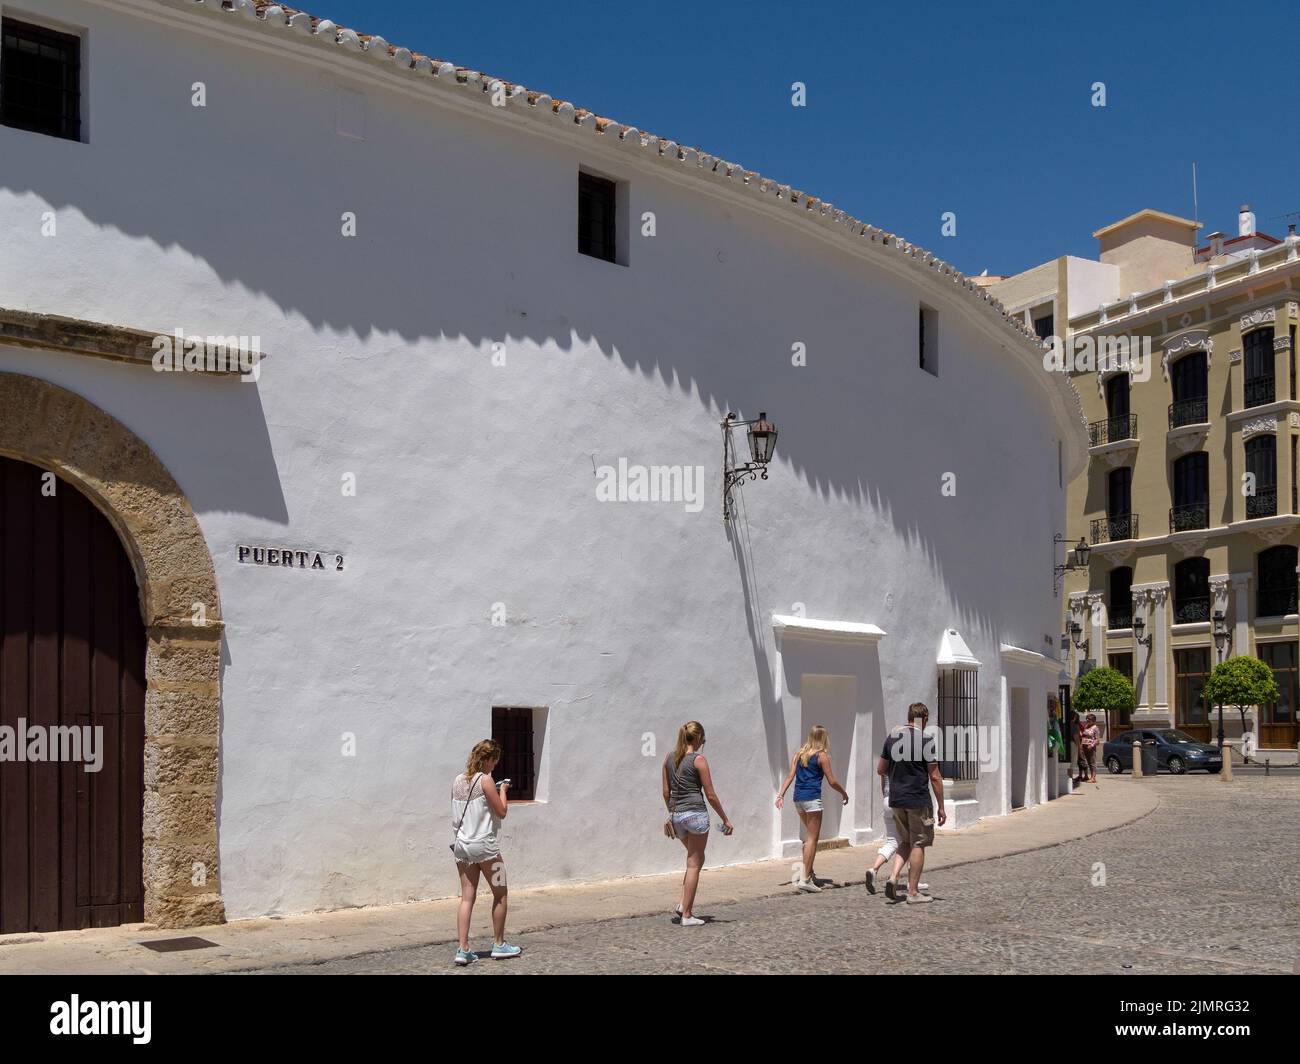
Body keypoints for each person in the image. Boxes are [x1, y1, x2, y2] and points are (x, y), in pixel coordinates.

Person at [450, 739, 522, 966]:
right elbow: (501, 812)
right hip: (486, 848)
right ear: (488, 759)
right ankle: (499, 945)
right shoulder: (486, 780)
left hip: (463, 847)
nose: (494, 766)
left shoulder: (458, 780)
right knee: (500, 892)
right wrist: (503, 790)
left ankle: (463, 949)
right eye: (494, 761)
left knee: (467, 897)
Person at [662, 721, 732, 926]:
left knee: (695, 859)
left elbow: (666, 792)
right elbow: (710, 794)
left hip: (677, 816)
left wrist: (672, 814)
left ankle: (683, 904)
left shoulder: (668, 758)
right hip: (696, 815)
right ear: (699, 738)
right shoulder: (699, 760)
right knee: (694, 863)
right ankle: (687, 915)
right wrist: (725, 818)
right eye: (704, 739)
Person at [876, 702, 946, 904]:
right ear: (923, 719)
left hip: (896, 799)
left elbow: (881, 769)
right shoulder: (926, 740)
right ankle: (913, 892)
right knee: (918, 843)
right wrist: (941, 806)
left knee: (905, 841)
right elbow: (934, 776)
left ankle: (893, 877)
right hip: (917, 799)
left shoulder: (892, 738)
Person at [776, 725, 849, 892]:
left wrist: (780, 795)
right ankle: (805, 879)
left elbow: (789, 776)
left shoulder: (799, 755)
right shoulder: (821, 756)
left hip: (798, 800)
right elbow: (831, 781)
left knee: (808, 838)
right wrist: (843, 792)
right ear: (823, 738)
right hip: (812, 800)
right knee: (812, 839)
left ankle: (808, 872)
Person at [864, 772, 927, 895]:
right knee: (912, 842)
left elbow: (882, 779)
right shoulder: (902, 761)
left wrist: (886, 798)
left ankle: (874, 869)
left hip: (888, 800)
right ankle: (912, 881)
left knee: (892, 841)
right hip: (903, 800)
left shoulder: (887, 761)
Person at [1081, 713, 1101, 783]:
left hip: (1091, 747)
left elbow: (1097, 740)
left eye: (1089, 719)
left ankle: (1093, 778)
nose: (1087, 720)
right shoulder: (1086, 726)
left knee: (1092, 762)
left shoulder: (1095, 728)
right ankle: (1088, 776)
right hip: (1084, 746)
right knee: (1087, 762)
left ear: (1093, 720)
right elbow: (1083, 735)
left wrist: (1091, 745)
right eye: (1086, 719)